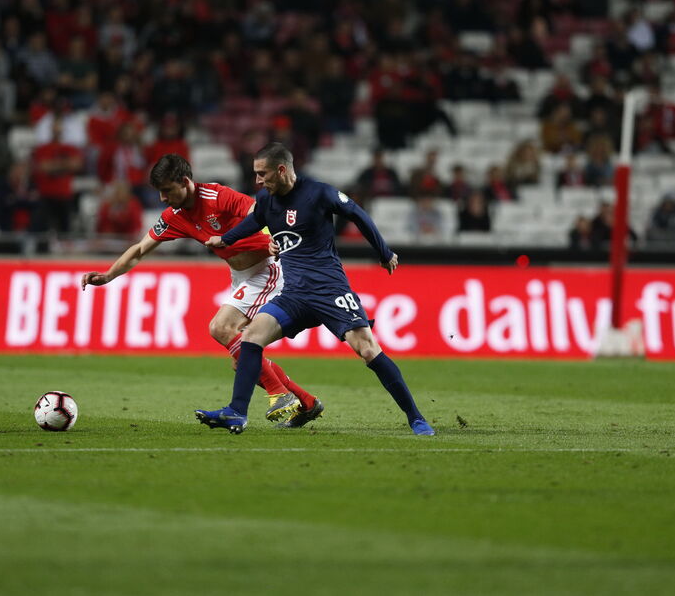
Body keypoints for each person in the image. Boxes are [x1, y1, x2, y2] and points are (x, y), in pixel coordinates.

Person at [201, 143, 435, 436]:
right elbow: (251, 224)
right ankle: (236, 412)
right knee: (251, 336)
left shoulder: (319, 193)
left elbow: (358, 215)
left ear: (281, 170)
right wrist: (224, 239)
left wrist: (384, 252)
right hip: (293, 295)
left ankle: (415, 417)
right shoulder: (265, 201)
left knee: (367, 348)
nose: (258, 181)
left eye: (262, 174)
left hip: (330, 290)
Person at [81, 153, 318, 423]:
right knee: (242, 361)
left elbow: (257, 211)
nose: (163, 198)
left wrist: (275, 235)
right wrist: (108, 276)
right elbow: (139, 249)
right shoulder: (174, 216)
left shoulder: (216, 196)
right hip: (241, 276)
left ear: (185, 182)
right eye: (159, 192)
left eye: (167, 191)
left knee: (220, 328)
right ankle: (306, 402)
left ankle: (279, 394)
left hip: (266, 269)